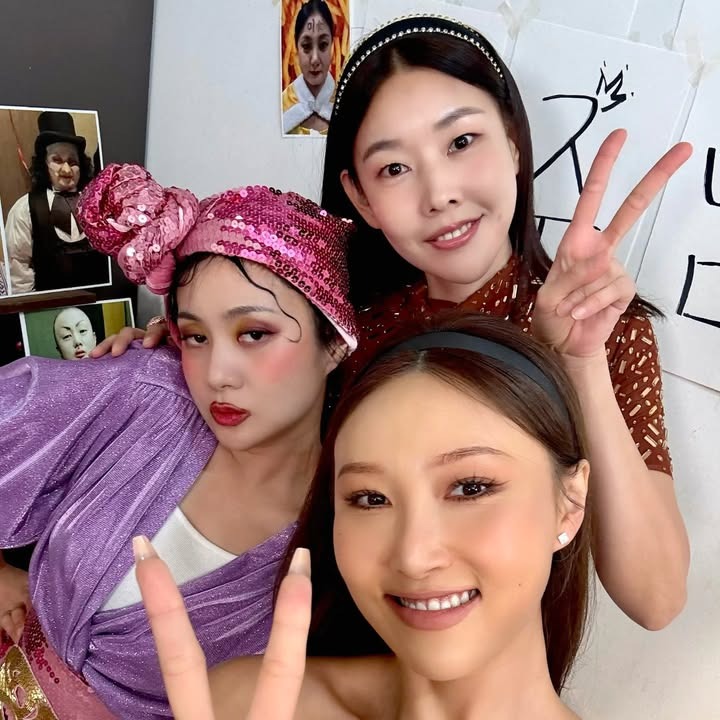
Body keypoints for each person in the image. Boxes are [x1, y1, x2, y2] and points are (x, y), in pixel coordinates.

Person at [98, 14, 690, 631]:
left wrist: (577, 364)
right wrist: (177, 348)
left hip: (484, 669)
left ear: (514, 143)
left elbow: (655, 599)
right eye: (394, 169)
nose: (439, 194)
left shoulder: (599, 330)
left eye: (461, 142)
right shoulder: (344, 322)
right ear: (360, 197)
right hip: (323, 643)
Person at [0, 163, 356, 719]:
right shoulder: (147, 393)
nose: (217, 374)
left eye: (254, 333)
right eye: (195, 336)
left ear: (333, 342)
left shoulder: (348, 529)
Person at [136, 313, 594, 719]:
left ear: (570, 502)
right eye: (371, 498)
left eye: (470, 488)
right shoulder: (245, 705)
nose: (413, 557)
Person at [4, 111, 108, 293]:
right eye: (57, 160)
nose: (66, 170)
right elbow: (19, 272)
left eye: (72, 162)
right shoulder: (24, 209)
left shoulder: (98, 204)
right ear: (44, 164)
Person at [282, 0, 336, 135]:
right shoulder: (282, 106)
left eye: (323, 45)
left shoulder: (348, 105)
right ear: (296, 47)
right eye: (306, 46)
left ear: (332, 46)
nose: (315, 59)